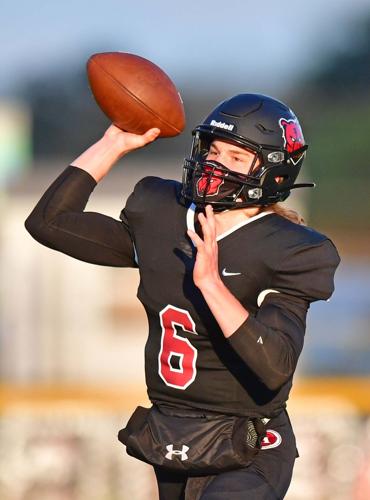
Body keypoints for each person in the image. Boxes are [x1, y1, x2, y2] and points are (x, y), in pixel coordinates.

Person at [25, 93, 340, 499]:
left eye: (234, 156)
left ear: (273, 171)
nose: (213, 162)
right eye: (212, 148)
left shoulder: (292, 249)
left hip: (249, 443)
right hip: (174, 436)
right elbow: (49, 223)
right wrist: (114, 143)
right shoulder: (162, 215)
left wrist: (211, 283)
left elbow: (275, 366)